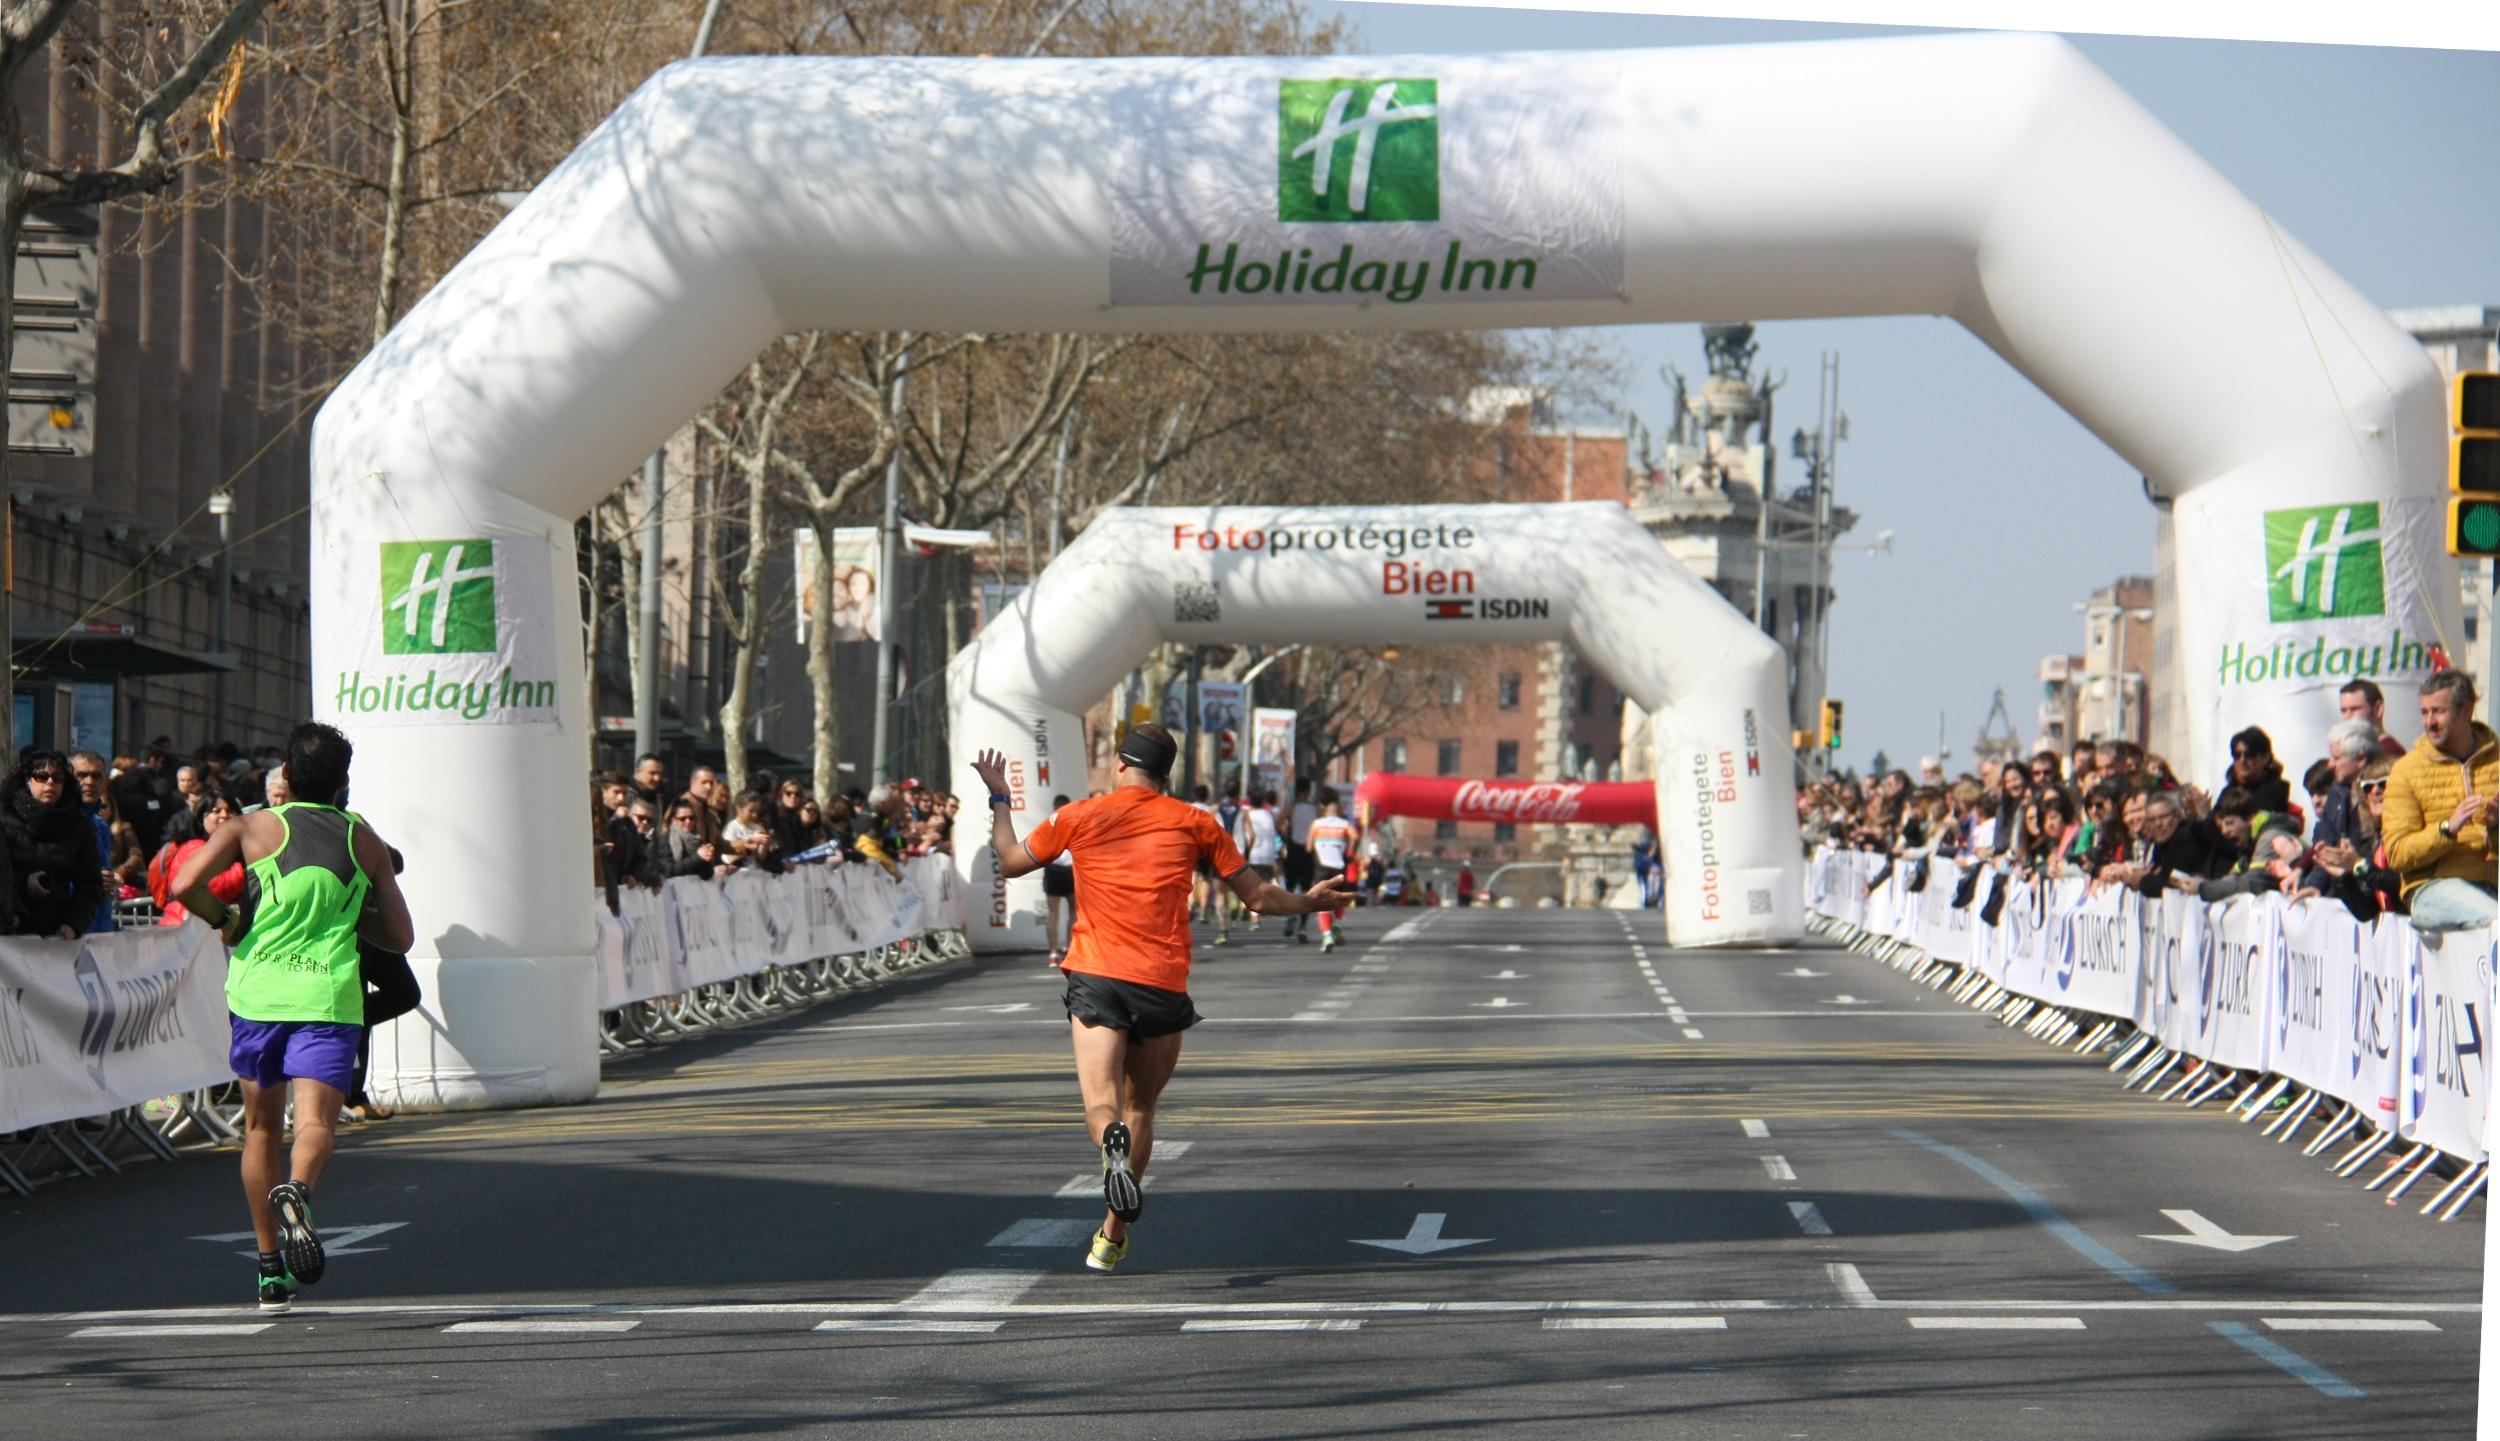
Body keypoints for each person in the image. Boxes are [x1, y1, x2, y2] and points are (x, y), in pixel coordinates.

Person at [971, 723, 1348, 1275]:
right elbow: (1259, 897)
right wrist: (1308, 901)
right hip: (1162, 980)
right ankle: (1111, 1235)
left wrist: (1001, 798)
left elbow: (1010, 860)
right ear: (1166, 772)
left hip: (1097, 973)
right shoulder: (1196, 821)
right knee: (1141, 1105)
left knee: (1101, 1105)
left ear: (1121, 764)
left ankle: (1110, 1145)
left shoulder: (1080, 814)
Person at [171, 722, 413, 1316]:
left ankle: (269, 1270)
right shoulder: (364, 839)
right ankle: (298, 1194)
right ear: (343, 782)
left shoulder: (250, 826)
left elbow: (183, 884)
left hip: (257, 996)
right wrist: (355, 916)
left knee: (259, 1129)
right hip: (328, 998)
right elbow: (401, 937)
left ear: (285, 773)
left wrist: (228, 924)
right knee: (315, 1125)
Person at [2382, 669, 2498, 931]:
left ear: (2466, 710)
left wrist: (2495, 826)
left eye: (2438, 711)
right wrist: (2447, 829)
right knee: (2496, 921)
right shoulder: (2407, 770)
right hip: (2433, 888)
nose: (2429, 721)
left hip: (2492, 886)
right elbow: (2397, 853)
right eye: (2424, 712)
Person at [2, 751, 100, 938]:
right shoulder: (5, 819)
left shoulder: (79, 826)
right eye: (41, 776)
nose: (50, 783)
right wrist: (25, 884)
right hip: (10, 933)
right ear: (27, 780)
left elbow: (90, 884)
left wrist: (72, 925)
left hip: (56, 938)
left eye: (58, 778)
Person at [1307, 791, 1357, 951]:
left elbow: (1308, 847)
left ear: (1323, 806)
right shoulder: (1345, 824)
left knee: (1322, 904)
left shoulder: (1316, 825)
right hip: (1339, 867)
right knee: (1337, 899)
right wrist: (1350, 851)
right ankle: (1336, 925)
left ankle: (1327, 934)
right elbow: (1355, 836)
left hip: (1322, 868)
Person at [1233, 791, 1281, 934]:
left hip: (1253, 855)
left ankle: (1255, 918)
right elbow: (1274, 835)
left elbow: (1247, 836)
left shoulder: (1248, 816)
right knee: (1262, 884)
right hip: (1268, 855)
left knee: (1250, 886)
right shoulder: (1269, 815)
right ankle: (1250, 910)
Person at [1041, 793, 1077, 967]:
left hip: (1068, 869)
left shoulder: (1070, 822)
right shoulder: (1050, 823)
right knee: (1054, 913)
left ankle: (1066, 949)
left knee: (1072, 912)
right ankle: (1054, 952)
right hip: (1056, 869)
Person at [1280, 781, 1319, 943]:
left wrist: (1285, 837)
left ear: (1297, 792)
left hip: (1294, 847)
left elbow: (1278, 820)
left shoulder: (1292, 807)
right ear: (1308, 791)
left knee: (1290, 887)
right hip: (1309, 850)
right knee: (1306, 889)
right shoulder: (1315, 809)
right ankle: (1302, 927)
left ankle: (1290, 916)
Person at [2339, 678, 2411, 759]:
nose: (2348, 716)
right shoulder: (2350, 752)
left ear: (2378, 709)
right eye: (2344, 710)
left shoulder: (2390, 752)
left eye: (2355, 709)